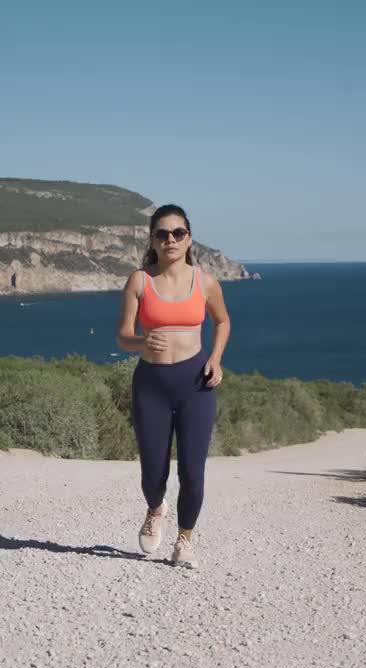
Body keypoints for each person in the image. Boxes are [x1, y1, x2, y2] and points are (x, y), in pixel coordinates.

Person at [115, 204, 231, 568]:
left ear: (189, 238)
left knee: (193, 470)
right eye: (162, 234)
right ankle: (155, 507)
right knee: (153, 473)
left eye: (178, 233)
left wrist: (215, 359)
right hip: (151, 385)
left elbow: (223, 322)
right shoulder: (139, 280)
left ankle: (185, 540)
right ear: (152, 239)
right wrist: (141, 343)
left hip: (195, 384)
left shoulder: (205, 281)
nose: (170, 240)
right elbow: (123, 335)